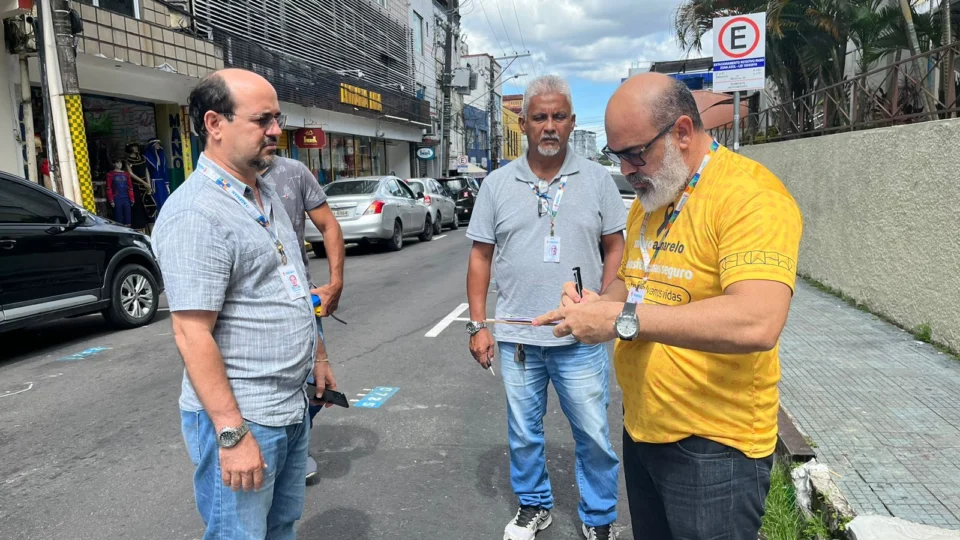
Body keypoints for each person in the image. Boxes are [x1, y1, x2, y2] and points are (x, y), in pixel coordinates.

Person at [533, 73, 804, 540]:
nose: (627, 169)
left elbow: (759, 321)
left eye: (636, 153)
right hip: (644, 429)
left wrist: (621, 320)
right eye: (617, 156)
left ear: (681, 131)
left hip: (715, 445)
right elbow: (631, 282)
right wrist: (596, 304)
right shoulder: (652, 197)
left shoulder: (750, 197)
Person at [153, 68, 317, 539]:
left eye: (278, 118)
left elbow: (288, 283)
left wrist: (318, 358)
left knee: (280, 526)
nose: (276, 130)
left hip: (288, 404)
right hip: (246, 416)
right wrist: (231, 433)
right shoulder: (196, 213)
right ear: (215, 124)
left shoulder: (262, 193)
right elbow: (191, 332)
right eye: (263, 120)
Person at [465, 74, 627, 540]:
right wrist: (478, 325)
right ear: (523, 124)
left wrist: (605, 301)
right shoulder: (497, 185)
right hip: (518, 337)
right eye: (540, 117)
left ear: (572, 122)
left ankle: (598, 517)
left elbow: (615, 245)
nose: (550, 126)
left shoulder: (597, 180)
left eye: (558, 117)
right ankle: (534, 504)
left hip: (581, 336)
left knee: (593, 433)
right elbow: (480, 257)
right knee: (523, 433)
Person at [262, 155, 345, 482]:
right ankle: (273, 448)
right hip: (252, 306)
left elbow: (329, 224)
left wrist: (335, 282)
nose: (273, 132)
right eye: (262, 127)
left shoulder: (293, 172)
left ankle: (299, 441)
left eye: (275, 127)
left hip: (299, 296)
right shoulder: (223, 181)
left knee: (316, 383)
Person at [125, 142, 153, 231]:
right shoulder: (128, 160)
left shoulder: (142, 158)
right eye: (134, 147)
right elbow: (131, 174)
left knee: (149, 205)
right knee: (138, 206)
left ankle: (150, 227)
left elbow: (146, 170)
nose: (136, 149)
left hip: (145, 185)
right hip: (136, 185)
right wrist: (143, 182)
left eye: (136, 147)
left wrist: (148, 183)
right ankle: (140, 228)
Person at [105, 159, 134, 226]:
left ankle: (128, 231)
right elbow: (109, 188)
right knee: (118, 218)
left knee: (128, 217)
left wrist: (132, 198)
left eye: (120, 163)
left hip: (126, 198)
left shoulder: (126, 174)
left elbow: (130, 187)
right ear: (114, 164)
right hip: (117, 198)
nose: (119, 164)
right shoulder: (110, 174)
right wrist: (111, 200)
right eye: (117, 163)